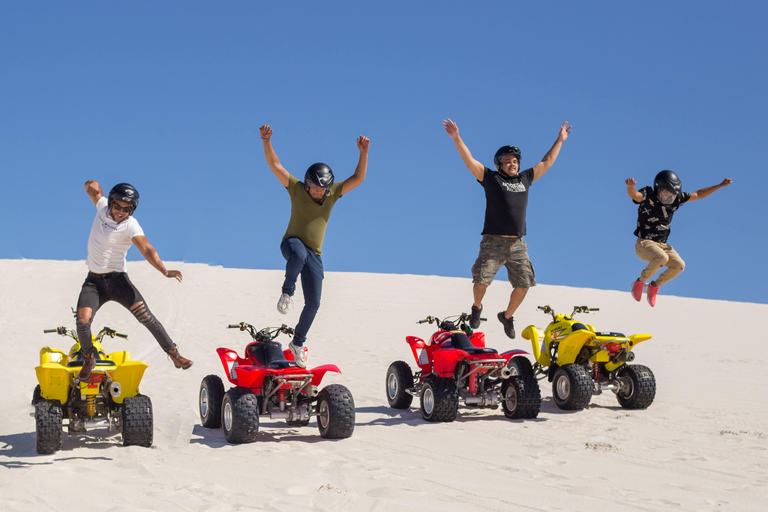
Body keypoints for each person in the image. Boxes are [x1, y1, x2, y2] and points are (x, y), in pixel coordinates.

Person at [443, 119, 572, 339]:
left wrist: (559, 140)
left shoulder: (526, 178)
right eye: (507, 161)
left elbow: (547, 161)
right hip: (493, 241)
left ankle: (507, 316)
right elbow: (469, 161)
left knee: (524, 284)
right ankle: (477, 307)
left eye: (515, 161)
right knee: (481, 281)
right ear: (499, 164)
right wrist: (456, 137)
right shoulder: (490, 178)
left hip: (516, 243)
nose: (512, 164)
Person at [260, 124, 369, 367]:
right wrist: (266, 141)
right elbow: (275, 165)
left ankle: (297, 343)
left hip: (315, 255)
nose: (319, 193)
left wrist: (363, 153)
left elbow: (359, 178)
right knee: (297, 254)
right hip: (292, 243)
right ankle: (287, 292)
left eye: (323, 190)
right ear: (308, 183)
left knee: (315, 303)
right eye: (316, 188)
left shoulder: (332, 195)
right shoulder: (296, 189)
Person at [75, 181, 193, 382]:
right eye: (118, 206)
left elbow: (147, 249)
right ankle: (88, 359)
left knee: (146, 317)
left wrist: (163, 270)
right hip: (93, 283)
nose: (121, 211)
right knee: (82, 321)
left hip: (118, 282)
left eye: (127, 209)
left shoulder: (131, 225)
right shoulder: (102, 206)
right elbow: (91, 188)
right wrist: (91, 184)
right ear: (111, 202)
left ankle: (174, 354)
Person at [626, 171, 732, 306]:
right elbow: (635, 195)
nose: (667, 196)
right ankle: (639, 282)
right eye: (664, 192)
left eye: (670, 194)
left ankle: (653, 286)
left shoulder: (676, 199)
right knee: (662, 258)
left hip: (662, 245)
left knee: (679, 265)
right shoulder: (648, 195)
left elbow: (698, 194)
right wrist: (630, 187)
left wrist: (720, 185)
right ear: (658, 188)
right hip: (644, 243)